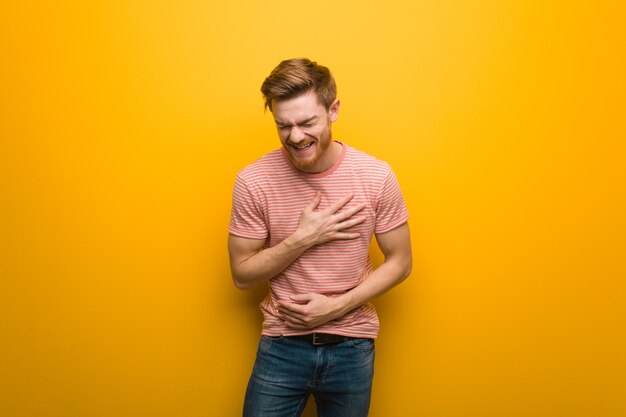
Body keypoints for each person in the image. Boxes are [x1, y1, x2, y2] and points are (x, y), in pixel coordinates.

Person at [228, 58, 412, 417]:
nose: (295, 136)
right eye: (284, 126)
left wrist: (336, 307)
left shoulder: (376, 176)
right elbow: (241, 275)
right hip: (282, 345)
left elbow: (401, 261)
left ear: (333, 110)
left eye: (307, 122)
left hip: (353, 347)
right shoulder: (253, 180)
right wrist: (303, 238)